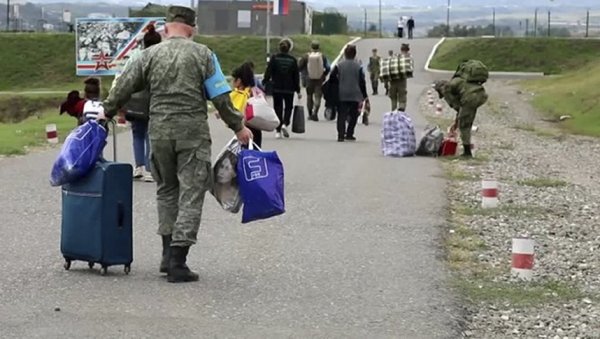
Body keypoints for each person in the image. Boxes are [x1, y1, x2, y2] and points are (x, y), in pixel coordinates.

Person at [99, 5, 253, 283]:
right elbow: (220, 97)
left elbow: (122, 86)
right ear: (192, 30)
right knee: (191, 192)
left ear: (166, 28)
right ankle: (178, 262)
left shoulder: (148, 55)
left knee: (166, 190)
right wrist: (239, 127)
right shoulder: (204, 55)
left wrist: (106, 112)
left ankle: (166, 254)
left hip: (159, 134)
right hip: (192, 133)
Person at [112, 24, 162, 182]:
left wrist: (118, 102)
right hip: (154, 101)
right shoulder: (161, 58)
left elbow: (123, 78)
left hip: (134, 102)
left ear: (143, 43)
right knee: (150, 135)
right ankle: (150, 169)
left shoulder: (135, 57)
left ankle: (138, 167)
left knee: (137, 134)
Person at [434, 61, 488, 158]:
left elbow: (456, 106)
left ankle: (467, 153)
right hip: (480, 95)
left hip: (470, 98)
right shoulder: (458, 81)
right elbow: (460, 108)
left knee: (464, 126)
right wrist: (458, 119)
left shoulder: (446, 88)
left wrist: (458, 120)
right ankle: (467, 150)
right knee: (466, 120)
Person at [262, 39, 301, 139]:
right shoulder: (293, 60)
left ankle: (278, 130)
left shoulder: (274, 58)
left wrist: (264, 82)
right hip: (289, 88)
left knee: (277, 108)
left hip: (277, 87)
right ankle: (285, 123)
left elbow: (268, 72)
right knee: (288, 107)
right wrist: (298, 90)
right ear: (289, 49)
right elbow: (296, 76)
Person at [329, 45, 368, 142]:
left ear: (345, 54)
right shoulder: (358, 66)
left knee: (341, 114)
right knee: (354, 114)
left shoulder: (339, 65)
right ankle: (350, 133)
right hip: (355, 93)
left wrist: (337, 85)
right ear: (354, 54)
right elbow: (362, 81)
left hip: (342, 93)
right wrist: (364, 95)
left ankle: (341, 135)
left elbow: (332, 78)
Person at [229, 63, 263, 148]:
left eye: (233, 80)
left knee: (245, 155)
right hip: (256, 128)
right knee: (255, 154)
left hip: (244, 130)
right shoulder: (255, 91)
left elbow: (233, 109)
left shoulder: (239, 94)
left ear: (239, 81)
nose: (232, 82)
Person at [298, 40, 330, 121]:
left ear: (311, 47)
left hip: (309, 79)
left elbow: (299, 67)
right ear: (319, 47)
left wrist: (303, 75)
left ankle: (309, 113)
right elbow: (328, 67)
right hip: (319, 79)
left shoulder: (306, 56)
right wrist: (324, 74)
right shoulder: (322, 56)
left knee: (309, 96)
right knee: (317, 97)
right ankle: (315, 113)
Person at [388, 43, 414, 112]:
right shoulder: (409, 57)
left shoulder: (395, 56)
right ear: (408, 50)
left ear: (401, 49)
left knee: (393, 98)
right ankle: (401, 108)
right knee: (402, 96)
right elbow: (411, 69)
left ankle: (394, 111)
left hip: (393, 80)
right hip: (402, 80)